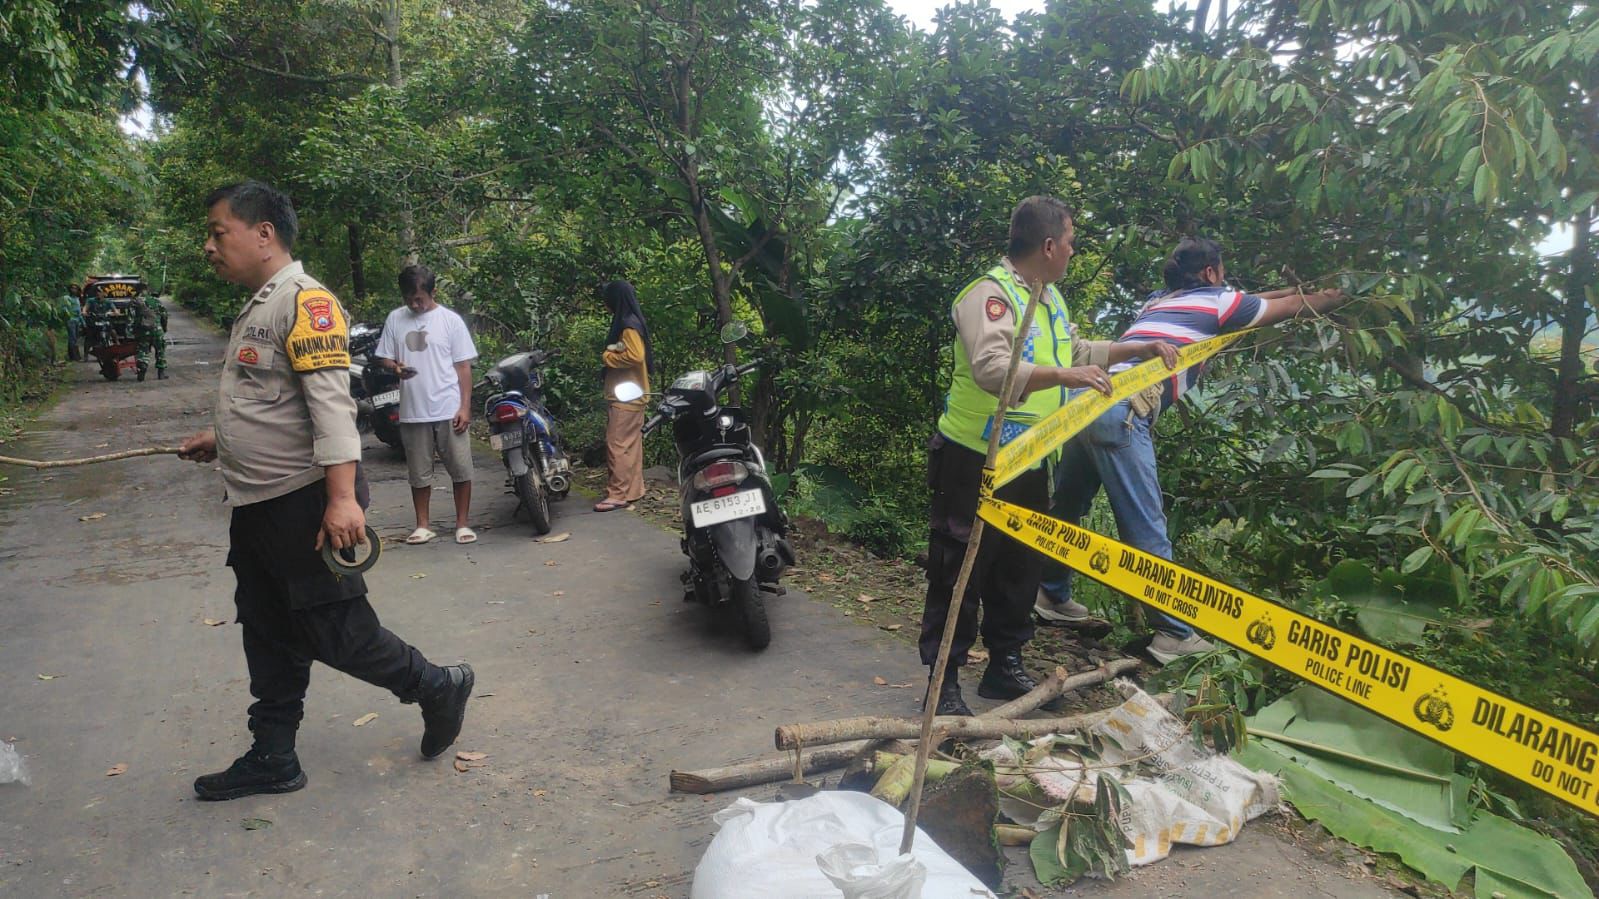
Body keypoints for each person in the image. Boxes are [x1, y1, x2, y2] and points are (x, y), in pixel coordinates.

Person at [177, 181, 473, 801]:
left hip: (303, 501)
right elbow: (275, 401)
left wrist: (343, 499)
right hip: (257, 503)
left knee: (338, 631)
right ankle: (273, 755)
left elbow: (332, 407)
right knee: (266, 627)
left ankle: (437, 686)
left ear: (263, 233)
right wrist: (223, 438)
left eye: (218, 231)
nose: (209, 246)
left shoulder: (306, 302)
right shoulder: (261, 303)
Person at [1035, 236, 1347, 664]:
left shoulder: (1158, 301)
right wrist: (1340, 294)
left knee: (1068, 506)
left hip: (1084, 403)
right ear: (1211, 274)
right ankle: (1174, 634)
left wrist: (1281, 290)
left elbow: (1250, 298)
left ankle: (1050, 595)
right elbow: (1290, 307)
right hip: (1123, 411)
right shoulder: (1220, 304)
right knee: (1146, 526)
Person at [922, 196, 1178, 716]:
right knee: (960, 568)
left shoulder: (1051, 300)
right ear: (1048, 245)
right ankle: (944, 678)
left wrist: (1140, 348)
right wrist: (1065, 378)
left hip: (1029, 460)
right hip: (976, 459)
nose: (1071, 252)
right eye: (1070, 243)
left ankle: (1004, 666)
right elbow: (992, 368)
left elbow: (1076, 352)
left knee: (1020, 566)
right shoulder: (989, 296)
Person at [373, 264, 479, 545]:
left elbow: (463, 367)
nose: (414, 304)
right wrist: (395, 367)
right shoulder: (395, 319)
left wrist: (465, 407)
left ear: (433, 292)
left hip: (448, 405)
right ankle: (423, 525)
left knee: (460, 467)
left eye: (419, 298)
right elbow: (383, 357)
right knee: (418, 471)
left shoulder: (450, 321)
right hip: (413, 408)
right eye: (409, 298)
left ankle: (462, 524)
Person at [594, 280, 654, 512]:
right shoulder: (631, 322)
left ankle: (617, 494)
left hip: (626, 397)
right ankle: (633, 489)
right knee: (631, 444)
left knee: (617, 444)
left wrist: (608, 358)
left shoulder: (628, 325)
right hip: (633, 394)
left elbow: (635, 356)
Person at [134, 291, 169, 381]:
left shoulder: (134, 302)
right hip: (157, 329)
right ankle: (161, 372)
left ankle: (143, 365)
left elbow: (130, 318)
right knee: (160, 349)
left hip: (143, 331)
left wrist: (133, 331)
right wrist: (164, 327)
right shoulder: (156, 301)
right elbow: (164, 316)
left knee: (143, 350)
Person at [61, 285, 83, 362]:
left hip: (77, 320)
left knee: (75, 338)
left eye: (75, 288)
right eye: (72, 288)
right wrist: (68, 317)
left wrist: (83, 322)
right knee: (72, 338)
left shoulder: (77, 299)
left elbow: (79, 311)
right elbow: (64, 308)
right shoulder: (66, 298)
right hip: (70, 320)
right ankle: (74, 356)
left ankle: (74, 356)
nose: (74, 290)